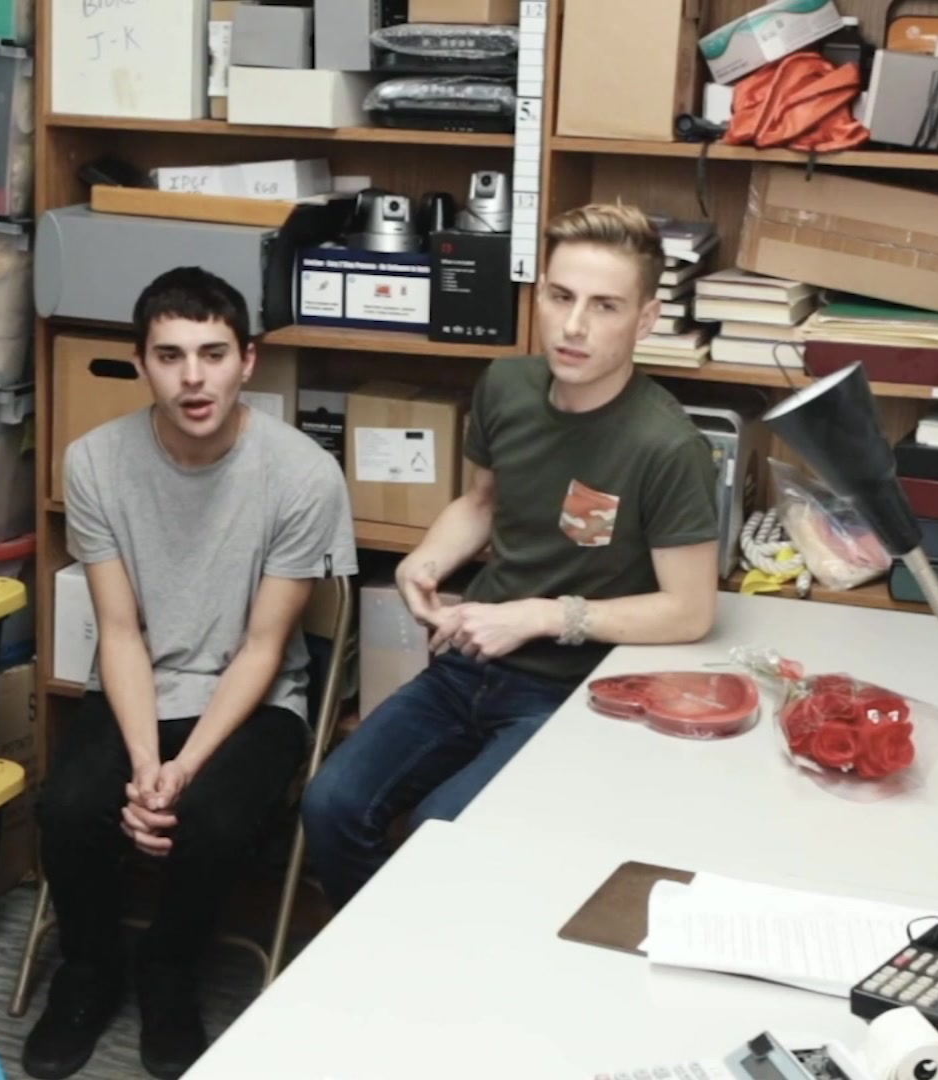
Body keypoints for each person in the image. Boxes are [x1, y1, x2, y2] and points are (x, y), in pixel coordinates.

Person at [300, 203, 723, 908]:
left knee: (441, 830)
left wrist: (541, 615)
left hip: (570, 691)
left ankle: (423, 955)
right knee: (330, 805)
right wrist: (425, 560)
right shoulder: (506, 385)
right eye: (560, 296)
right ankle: (395, 956)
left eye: (605, 305)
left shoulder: (668, 447)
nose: (574, 325)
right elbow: (484, 501)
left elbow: (690, 611)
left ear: (646, 319)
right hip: (470, 665)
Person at [24, 267, 358, 1080]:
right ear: (142, 363)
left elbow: (263, 649)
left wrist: (183, 771)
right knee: (67, 805)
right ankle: (89, 969)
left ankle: (168, 969)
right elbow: (120, 632)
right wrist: (148, 765)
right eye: (170, 356)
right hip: (140, 682)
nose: (193, 378)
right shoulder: (94, 462)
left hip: (254, 696)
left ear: (248, 361)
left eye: (213, 354)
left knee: (212, 818)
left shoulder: (303, 474)